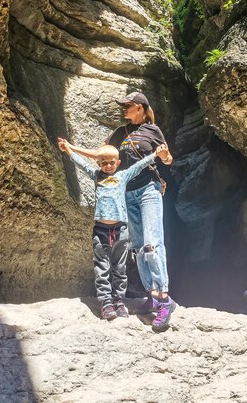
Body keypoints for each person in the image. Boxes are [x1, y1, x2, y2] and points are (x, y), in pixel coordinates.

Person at [65, 91, 176, 331]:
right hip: (127, 193)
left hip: (148, 189)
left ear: (140, 108)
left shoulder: (152, 131)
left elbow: (167, 160)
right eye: (123, 105)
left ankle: (164, 299)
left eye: (128, 105)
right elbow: (100, 154)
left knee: (152, 243)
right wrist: (70, 148)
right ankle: (151, 295)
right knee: (138, 247)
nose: (123, 108)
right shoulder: (119, 133)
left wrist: (164, 155)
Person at [58, 136, 169, 321]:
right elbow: (79, 164)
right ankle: (106, 303)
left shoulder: (122, 176)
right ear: (99, 162)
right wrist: (68, 150)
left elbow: (139, 166)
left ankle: (119, 301)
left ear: (117, 163)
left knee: (119, 268)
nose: (108, 166)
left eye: (111, 163)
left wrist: (155, 155)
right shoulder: (96, 176)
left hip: (121, 230)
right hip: (101, 230)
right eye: (104, 163)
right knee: (102, 267)